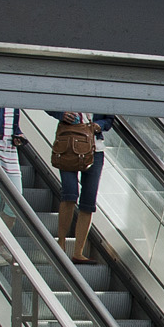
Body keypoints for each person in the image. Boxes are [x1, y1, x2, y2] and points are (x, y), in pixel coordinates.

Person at [53, 111, 111, 264]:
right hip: (69, 145)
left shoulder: (104, 92)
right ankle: (61, 243)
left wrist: (100, 126)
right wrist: (61, 114)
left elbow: (110, 118)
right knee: (70, 194)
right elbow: (49, 102)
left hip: (95, 149)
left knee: (88, 201)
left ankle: (78, 252)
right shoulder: (71, 87)